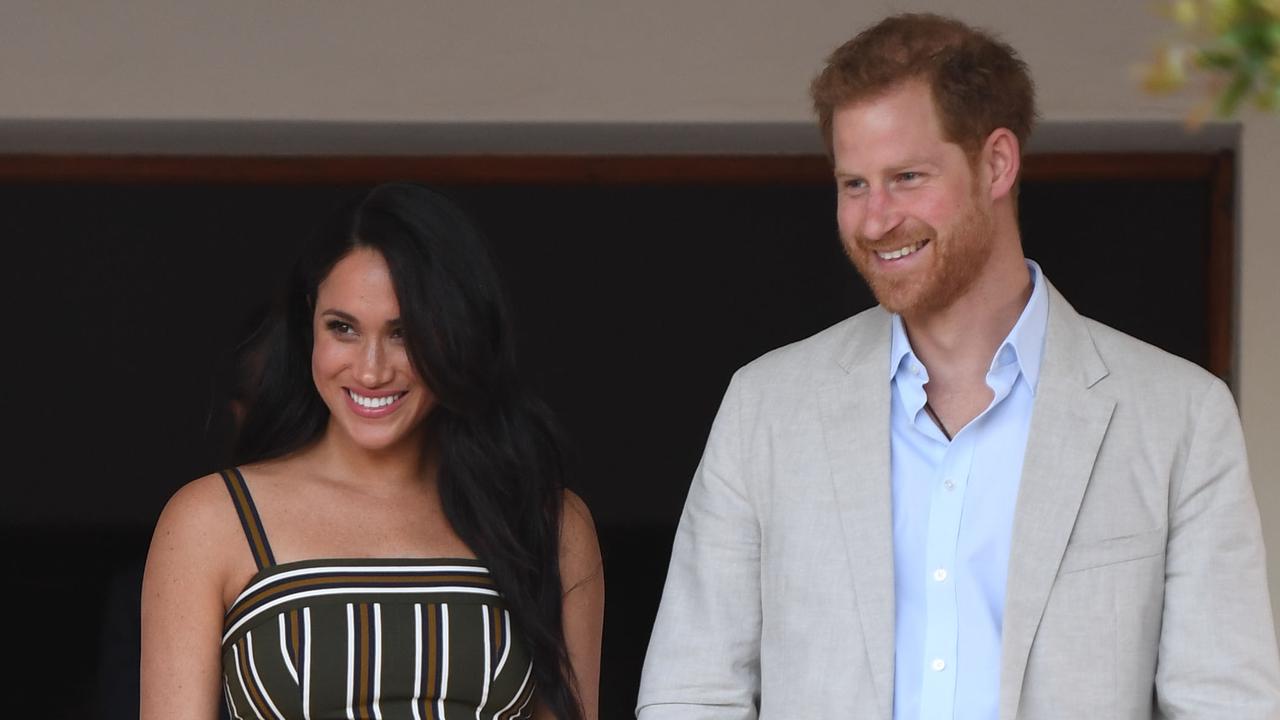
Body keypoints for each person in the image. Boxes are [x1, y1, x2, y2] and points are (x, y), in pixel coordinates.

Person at [637, 13, 1280, 720]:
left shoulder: (1178, 415)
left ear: (997, 163)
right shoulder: (765, 406)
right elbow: (693, 692)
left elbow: (1227, 705)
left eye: (906, 177)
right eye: (854, 184)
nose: (875, 219)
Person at [141, 183, 603, 720]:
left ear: (458, 334)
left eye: (405, 333)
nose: (370, 370)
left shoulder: (549, 524)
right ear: (308, 321)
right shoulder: (211, 520)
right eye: (343, 328)